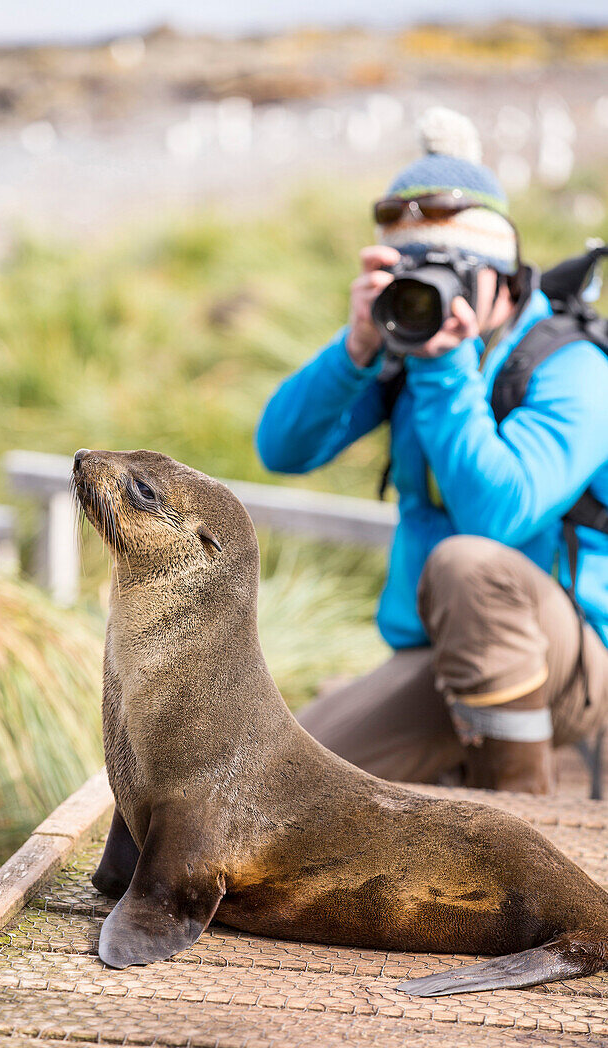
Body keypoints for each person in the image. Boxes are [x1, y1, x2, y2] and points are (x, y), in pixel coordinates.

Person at [256, 108, 608, 796]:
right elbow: (281, 448)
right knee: (279, 785)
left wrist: (444, 370)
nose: (428, 289)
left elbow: (496, 519)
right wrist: (356, 347)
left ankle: (521, 822)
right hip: (440, 654)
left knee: (467, 563)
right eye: (406, 271)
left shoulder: (573, 368)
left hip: (578, 663)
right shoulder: (403, 352)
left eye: (450, 268)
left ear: (504, 276)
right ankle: (449, 761)